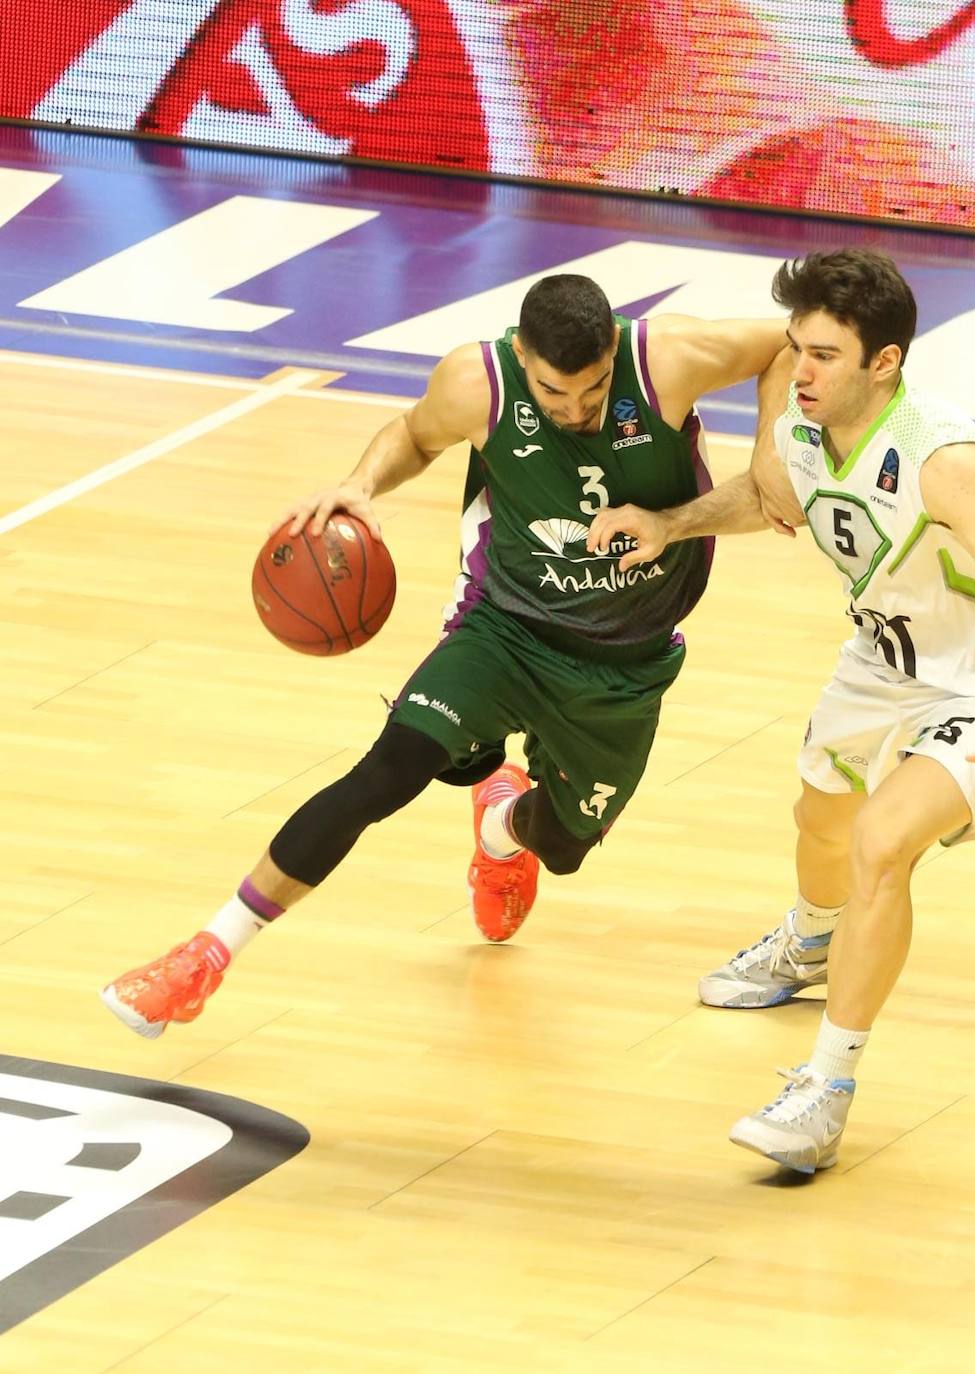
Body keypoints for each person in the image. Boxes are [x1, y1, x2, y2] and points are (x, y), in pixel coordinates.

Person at [101, 274, 787, 1038]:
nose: (576, 410)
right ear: (523, 355)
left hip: (623, 661)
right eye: (556, 393)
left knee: (560, 848)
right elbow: (414, 434)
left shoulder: (669, 357)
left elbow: (783, 344)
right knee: (386, 773)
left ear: (613, 351)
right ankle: (204, 956)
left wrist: (766, 456)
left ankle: (501, 826)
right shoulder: (475, 381)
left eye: (593, 389)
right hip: (506, 629)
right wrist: (361, 484)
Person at [587, 248, 975, 1175]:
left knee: (880, 846)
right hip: (879, 663)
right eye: (795, 349)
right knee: (819, 819)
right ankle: (809, 942)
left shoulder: (943, 460)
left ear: (882, 363)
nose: (799, 372)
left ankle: (825, 1088)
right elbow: (771, 498)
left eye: (821, 356)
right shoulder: (802, 431)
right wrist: (670, 524)